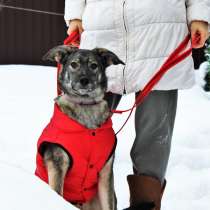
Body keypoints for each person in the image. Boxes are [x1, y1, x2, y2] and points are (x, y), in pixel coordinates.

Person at [64, 1, 210, 209]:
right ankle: (90, 201)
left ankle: (146, 204)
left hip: (160, 33)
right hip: (103, 33)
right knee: (84, 131)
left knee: (154, 132)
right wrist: (75, 16)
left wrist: (199, 16)